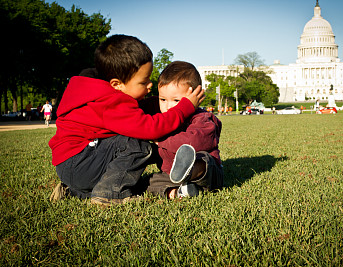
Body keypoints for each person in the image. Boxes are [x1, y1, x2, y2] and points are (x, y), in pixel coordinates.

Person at [48, 35, 204, 206]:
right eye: (144, 81)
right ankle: (110, 194)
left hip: (75, 165)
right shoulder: (110, 102)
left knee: (139, 153)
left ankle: (74, 191)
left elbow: (138, 109)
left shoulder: (97, 92)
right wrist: (185, 106)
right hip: (81, 164)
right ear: (117, 84)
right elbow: (151, 128)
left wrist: (166, 100)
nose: (150, 85)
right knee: (137, 145)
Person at [144, 61, 223, 199]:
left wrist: (161, 140)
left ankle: (189, 172)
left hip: (206, 174)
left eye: (176, 100)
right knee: (150, 182)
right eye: (163, 99)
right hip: (171, 176)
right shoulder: (164, 119)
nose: (168, 106)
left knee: (204, 160)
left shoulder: (203, 118)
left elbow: (194, 141)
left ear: (196, 95)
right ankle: (180, 192)